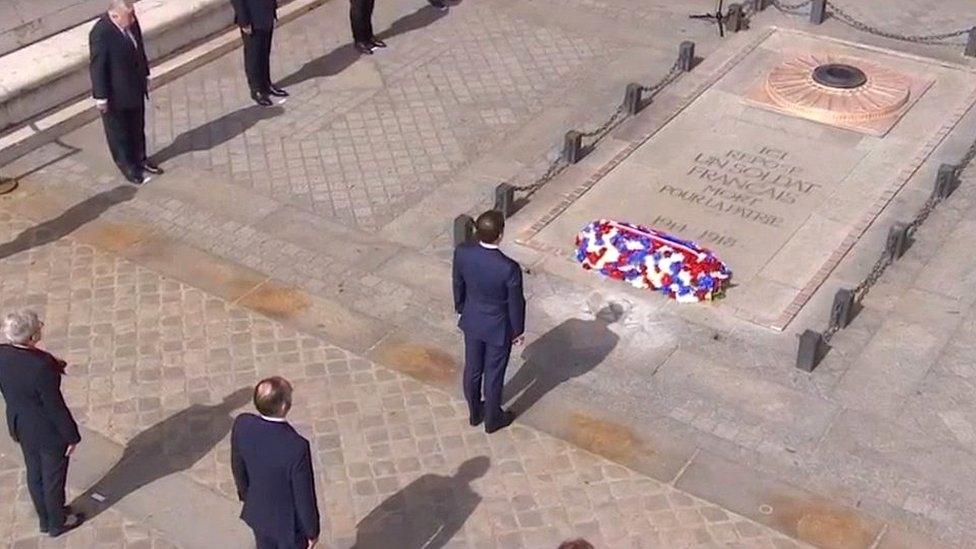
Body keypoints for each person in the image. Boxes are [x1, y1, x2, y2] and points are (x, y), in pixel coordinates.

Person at [0, 310, 84, 537]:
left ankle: (45, 519)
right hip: (48, 432)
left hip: (20, 425)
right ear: (31, 337)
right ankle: (58, 522)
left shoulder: (3, 354)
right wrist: (71, 436)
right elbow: (55, 407)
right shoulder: (42, 367)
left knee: (35, 474)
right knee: (53, 478)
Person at [452, 210, 526, 433]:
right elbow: (516, 303)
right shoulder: (508, 268)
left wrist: (461, 308)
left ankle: (475, 413)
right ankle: (493, 419)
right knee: (493, 374)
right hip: (498, 327)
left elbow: (457, 282)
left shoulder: (463, 252)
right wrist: (517, 330)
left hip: (472, 319)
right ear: (500, 235)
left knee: (473, 369)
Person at [231, 377, 320, 549]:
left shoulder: (242, 424)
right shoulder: (296, 447)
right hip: (288, 526)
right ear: (284, 407)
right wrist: (312, 531)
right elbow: (304, 496)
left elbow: (238, 467)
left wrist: (247, 497)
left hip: (258, 512)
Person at [89, 0, 161, 185]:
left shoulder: (131, 22)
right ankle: (128, 165)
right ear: (114, 16)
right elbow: (98, 66)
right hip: (115, 93)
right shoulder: (101, 33)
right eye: (128, 16)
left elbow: (139, 49)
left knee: (137, 126)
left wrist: (145, 74)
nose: (133, 19)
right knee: (120, 132)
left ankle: (141, 158)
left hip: (135, 86)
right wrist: (101, 97)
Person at [230, 0, 288, 107]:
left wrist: (273, 10)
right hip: (251, 16)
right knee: (253, 55)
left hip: (266, 13)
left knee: (264, 52)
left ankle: (266, 84)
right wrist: (244, 20)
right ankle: (257, 90)